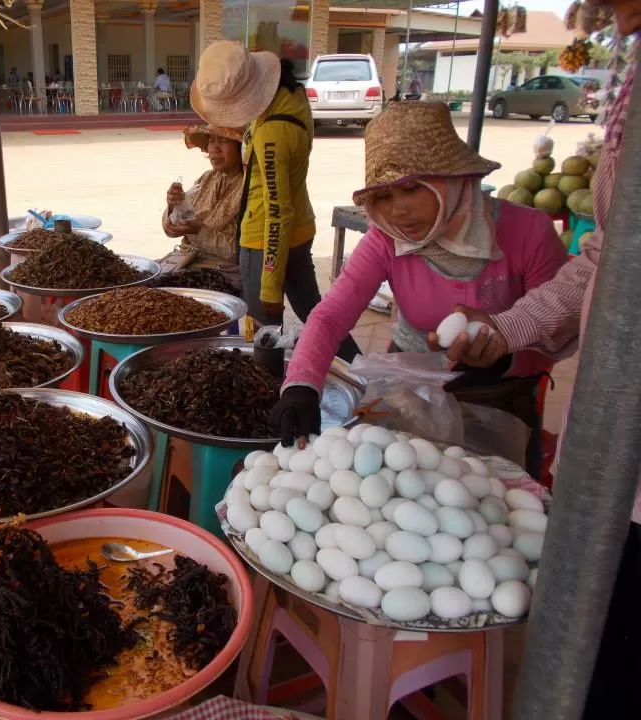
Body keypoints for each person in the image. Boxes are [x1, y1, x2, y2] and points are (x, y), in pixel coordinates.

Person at [437, 3, 638, 714]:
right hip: (610, 437)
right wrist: (507, 327)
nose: (606, 12)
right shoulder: (632, 94)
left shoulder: (519, 229)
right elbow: (607, 264)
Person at [269, 101, 569, 478]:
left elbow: (559, 325)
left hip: (499, 398)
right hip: (413, 393)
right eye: (383, 197)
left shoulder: (529, 232)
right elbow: (331, 314)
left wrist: (504, 357)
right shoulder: (386, 240)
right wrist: (301, 382)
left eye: (411, 189)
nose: (398, 211)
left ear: (453, 179)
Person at [190, 44, 331, 327]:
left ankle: (268, 369)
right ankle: (357, 367)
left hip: (266, 240)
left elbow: (278, 212)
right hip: (299, 230)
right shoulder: (291, 98)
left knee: (261, 329)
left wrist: (269, 285)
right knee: (316, 317)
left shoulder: (272, 133)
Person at [159, 125, 245, 286]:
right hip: (187, 261)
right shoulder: (207, 178)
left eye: (224, 141)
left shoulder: (250, 187)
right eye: (212, 141)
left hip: (223, 272)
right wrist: (174, 207)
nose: (215, 148)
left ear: (241, 148)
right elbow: (171, 230)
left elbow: (243, 252)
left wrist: (200, 231)